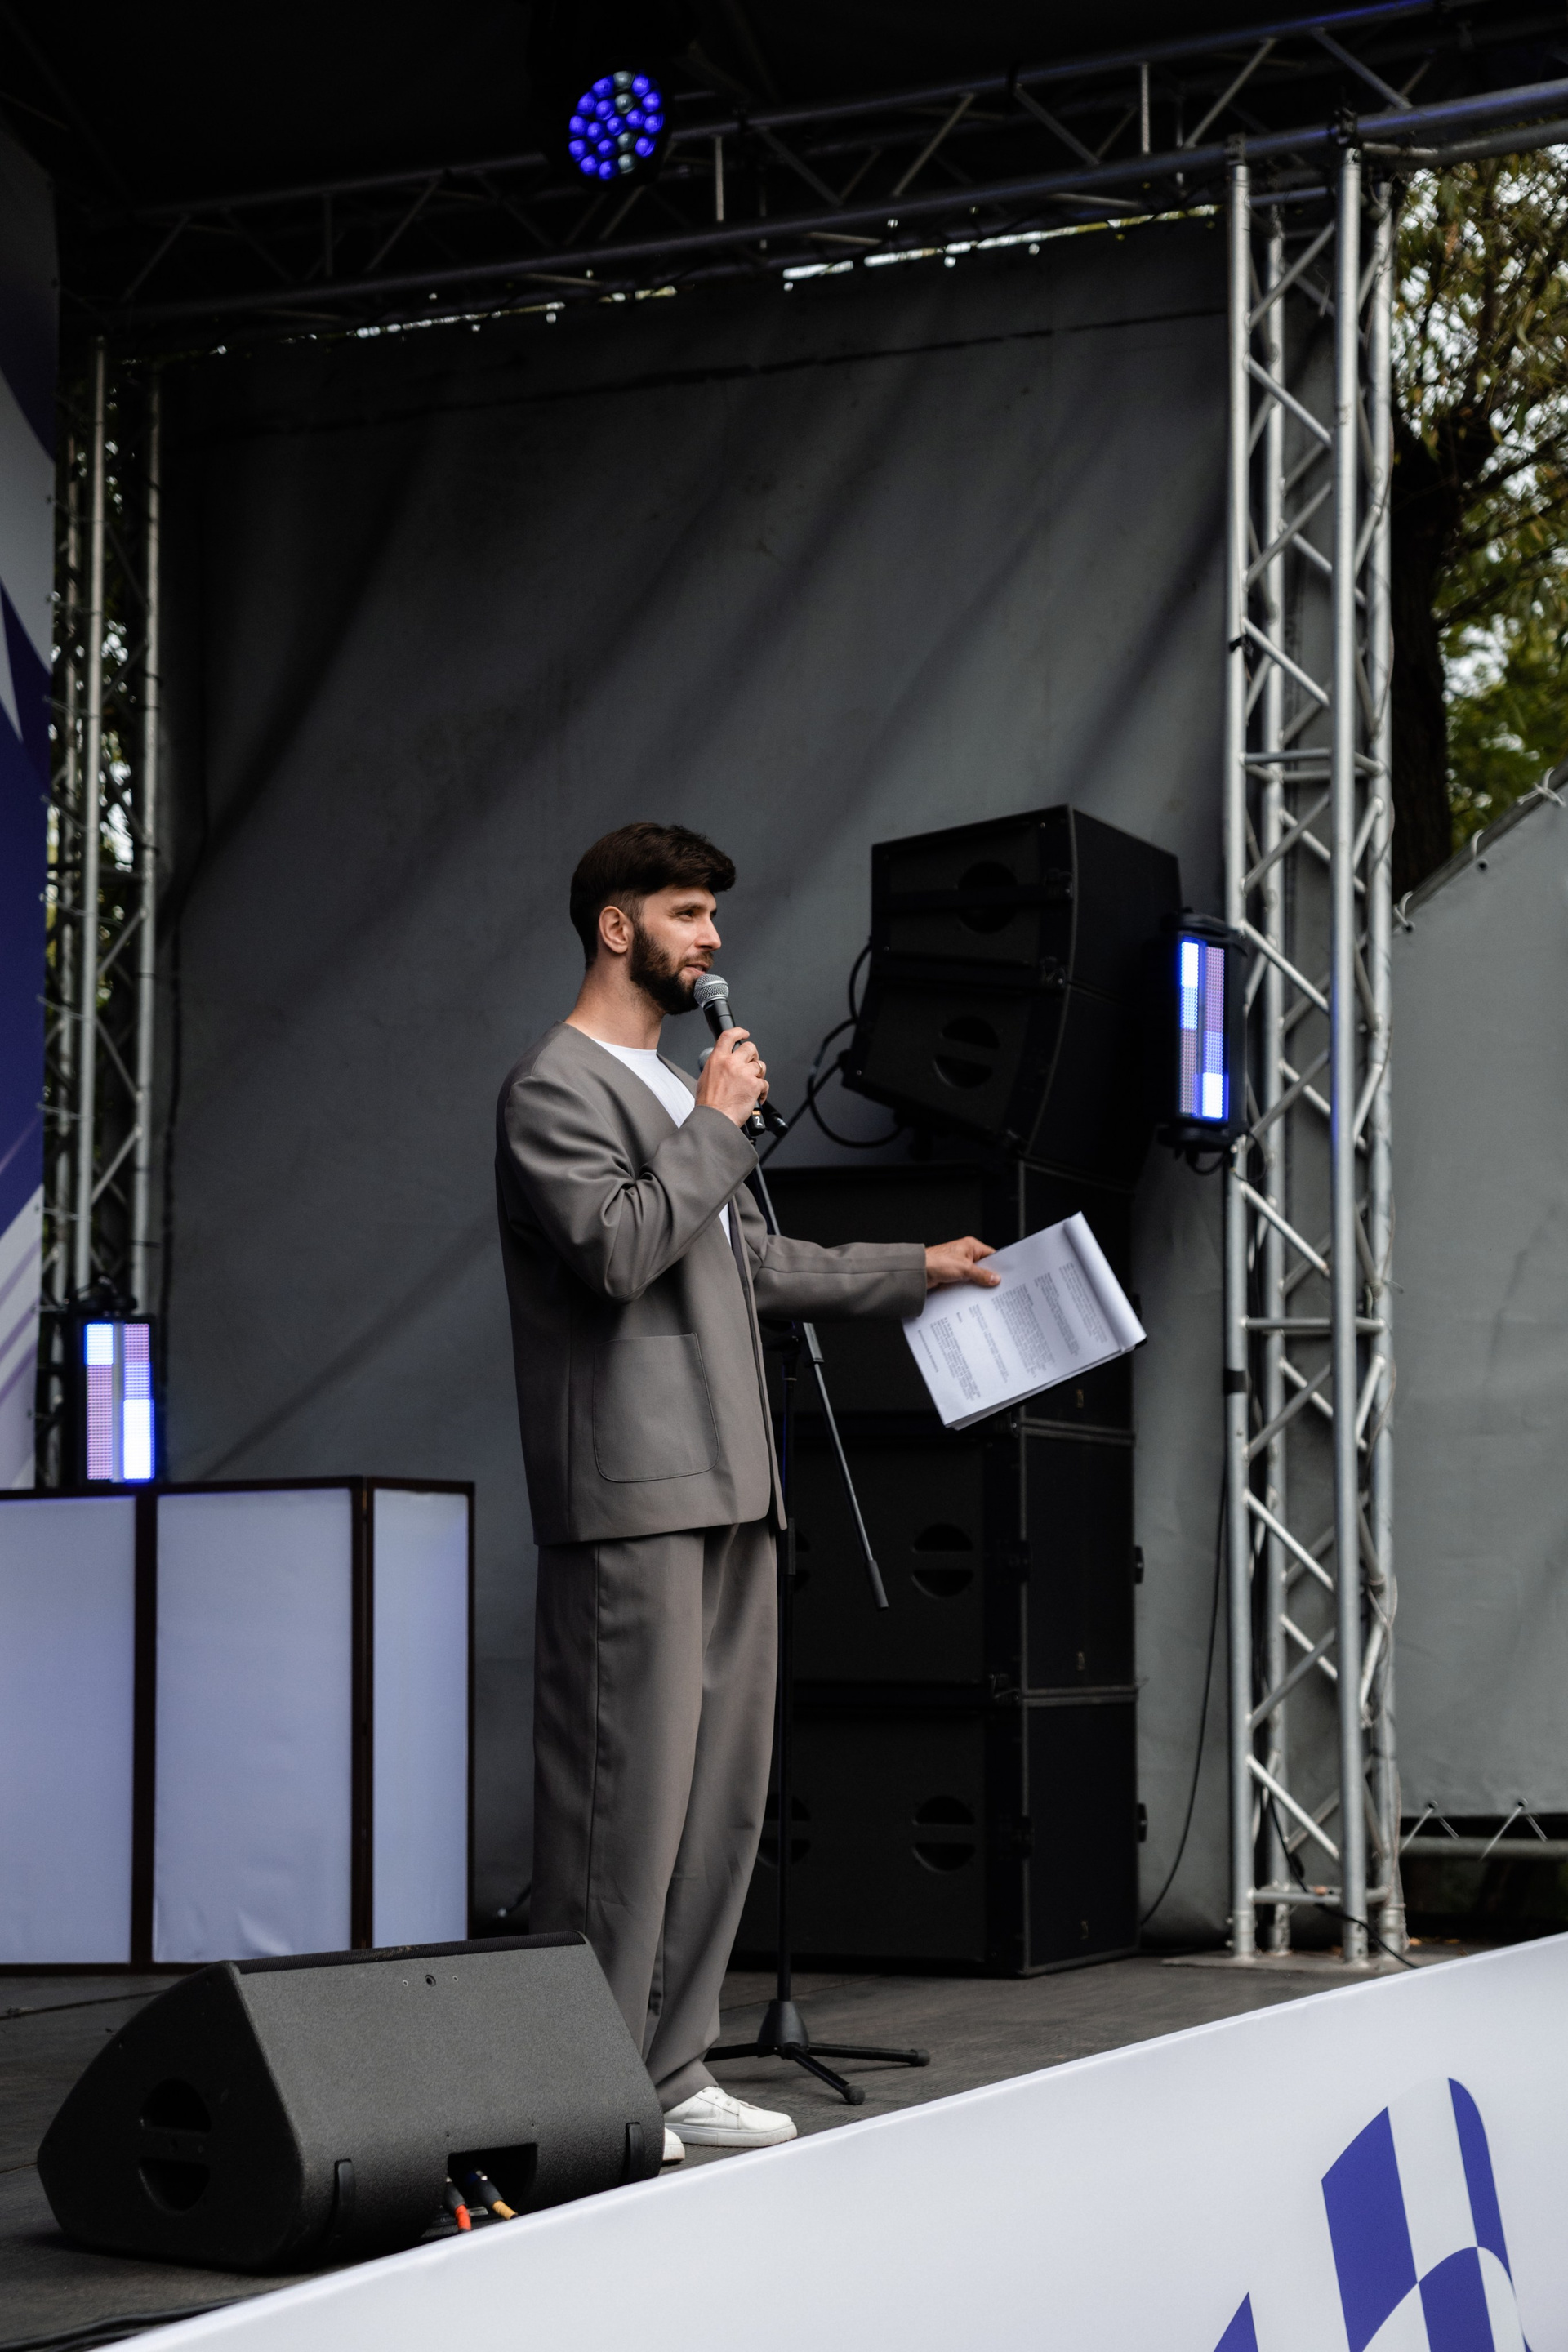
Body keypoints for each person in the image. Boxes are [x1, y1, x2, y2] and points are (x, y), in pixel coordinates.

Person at [494, 821, 998, 2162]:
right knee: (620, 1810)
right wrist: (716, 1125)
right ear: (617, 927)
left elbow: (748, 1267)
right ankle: (582, 2092)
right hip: (633, 1495)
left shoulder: (677, 1090)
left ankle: (671, 2072)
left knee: (718, 1806)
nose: (713, 939)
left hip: (733, 1483)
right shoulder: (554, 1087)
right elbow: (617, 1250)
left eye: (712, 914)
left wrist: (915, 1267)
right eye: (687, 912)